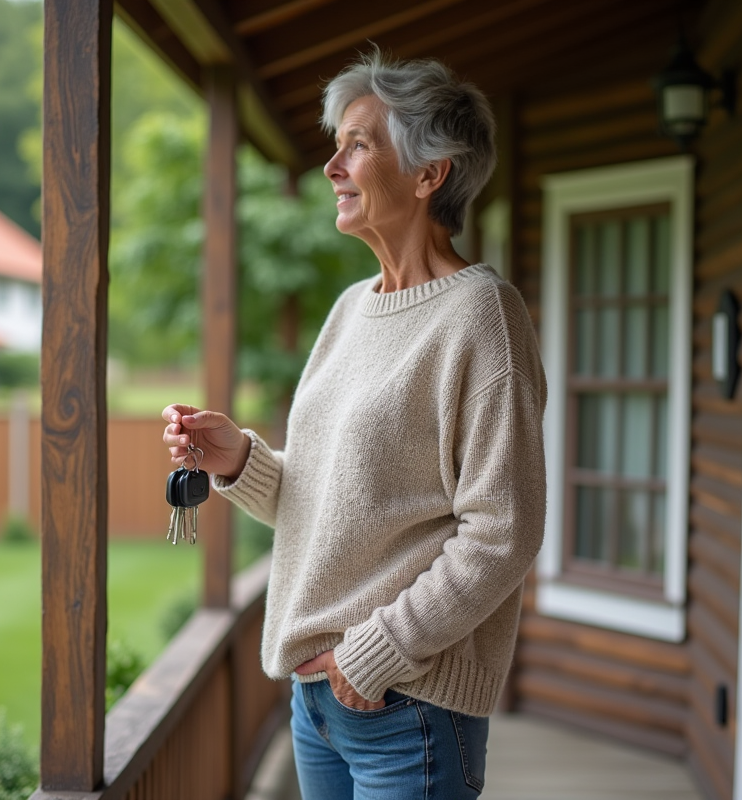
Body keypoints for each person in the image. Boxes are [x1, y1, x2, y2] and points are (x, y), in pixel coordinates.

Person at [161, 49, 546, 799]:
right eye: (336, 143)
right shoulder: (349, 309)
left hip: (409, 708)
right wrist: (237, 459)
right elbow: (333, 506)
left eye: (358, 144)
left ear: (429, 172)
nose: (332, 165)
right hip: (318, 705)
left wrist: (378, 652)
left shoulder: (481, 316)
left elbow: (505, 530)